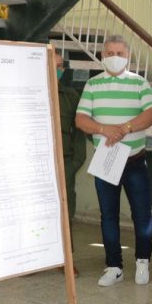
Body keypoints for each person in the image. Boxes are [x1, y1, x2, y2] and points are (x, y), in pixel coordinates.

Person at [74, 38, 152, 286]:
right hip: (107, 161)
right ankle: (114, 266)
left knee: (142, 215)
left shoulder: (138, 82)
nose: (115, 56)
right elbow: (81, 120)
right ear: (103, 55)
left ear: (128, 56)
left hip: (135, 160)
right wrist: (104, 128)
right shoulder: (92, 84)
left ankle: (143, 262)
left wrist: (124, 128)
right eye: (110, 52)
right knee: (108, 215)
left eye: (119, 53)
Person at [55, 53, 87, 223]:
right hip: (37, 168)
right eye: (52, 65)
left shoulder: (70, 96)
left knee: (66, 216)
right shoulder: (29, 93)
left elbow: (79, 133)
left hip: (65, 165)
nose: (57, 70)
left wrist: (75, 163)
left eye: (60, 66)